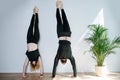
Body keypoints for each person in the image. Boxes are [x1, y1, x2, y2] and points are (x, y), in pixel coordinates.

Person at [52, 0, 77, 78]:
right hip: (61, 35)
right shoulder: (58, 56)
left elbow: (74, 65)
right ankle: (57, 8)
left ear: (66, 60)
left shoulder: (70, 56)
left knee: (65, 20)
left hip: (68, 34)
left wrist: (75, 74)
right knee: (59, 20)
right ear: (62, 60)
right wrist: (53, 75)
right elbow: (55, 65)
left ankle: (61, 8)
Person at [22, 7, 44, 78]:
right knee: (36, 25)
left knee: (31, 26)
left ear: (31, 63)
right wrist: (41, 74)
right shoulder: (38, 57)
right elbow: (41, 66)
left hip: (29, 39)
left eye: (33, 64)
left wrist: (23, 74)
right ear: (36, 63)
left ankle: (33, 14)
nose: (34, 63)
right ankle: (36, 13)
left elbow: (25, 65)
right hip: (35, 40)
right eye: (35, 64)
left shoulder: (29, 57)